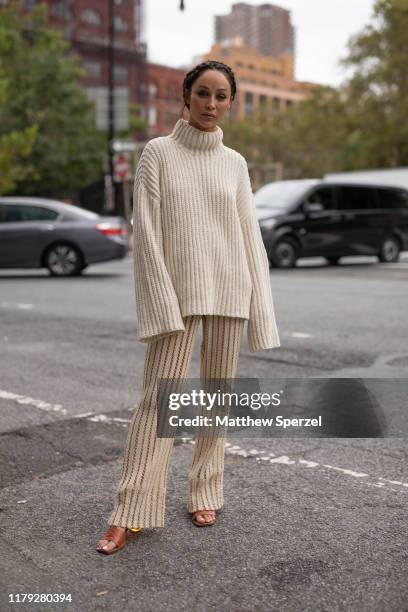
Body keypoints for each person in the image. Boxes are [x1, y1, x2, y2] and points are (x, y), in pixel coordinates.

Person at [96, 60, 280, 555]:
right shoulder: (157, 153)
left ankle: (206, 490)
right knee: (158, 402)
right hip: (177, 294)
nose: (212, 104)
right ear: (186, 96)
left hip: (229, 289)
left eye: (222, 96)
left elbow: (249, 236)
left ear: (230, 104)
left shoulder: (235, 163)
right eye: (204, 93)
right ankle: (129, 510)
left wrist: (261, 311)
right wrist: (160, 302)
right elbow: (147, 234)